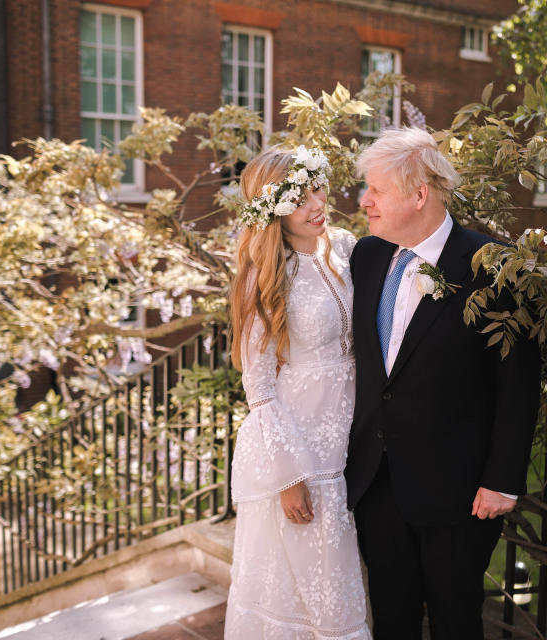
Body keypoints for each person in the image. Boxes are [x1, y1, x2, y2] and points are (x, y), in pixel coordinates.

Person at [345, 127, 541, 639]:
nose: (365, 202)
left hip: (459, 491)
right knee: (391, 616)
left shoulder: (494, 267)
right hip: (376, 481)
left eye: (376, 191)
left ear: (419, 195)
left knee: (456, 618)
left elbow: (518, 382)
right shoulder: (366, 257)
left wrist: (503, 479)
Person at [224, 146, 371, 640]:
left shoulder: (346, 247)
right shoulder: (266, 276)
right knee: (310, 580)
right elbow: (260, 387)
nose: (316, 203)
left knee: (345, 570)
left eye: (317, 187)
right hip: (302, 446)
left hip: (356, 430)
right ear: (272, 210)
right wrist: (288, 475)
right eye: (299, 196)